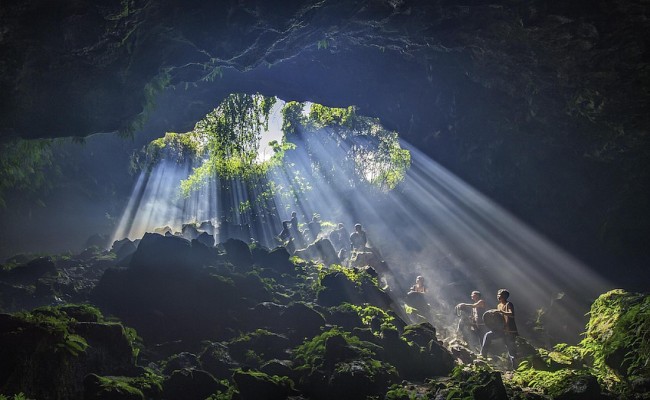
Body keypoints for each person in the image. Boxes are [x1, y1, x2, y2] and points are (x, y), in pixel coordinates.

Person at [481, 289, 518, 369]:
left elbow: (511, 314)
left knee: (511, 351)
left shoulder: (508, 304)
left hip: (510, 331)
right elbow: (499, 318)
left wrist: (500, 311)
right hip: (501, 330)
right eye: (498, 294)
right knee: (488, 335)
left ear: (504, 296)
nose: (498, 296)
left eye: (500, 294)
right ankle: (483, 356)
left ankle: (517, 370)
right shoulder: (499, 305)